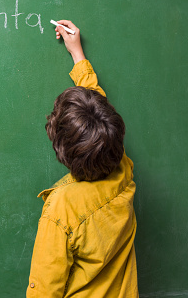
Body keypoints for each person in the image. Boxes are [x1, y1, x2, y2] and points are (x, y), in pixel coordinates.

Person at [26, 20, 138, 297]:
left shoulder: (61, 209)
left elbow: (44, 290)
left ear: (61, 150)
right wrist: (78, 55)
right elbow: (99, 112)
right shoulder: (121, 167)